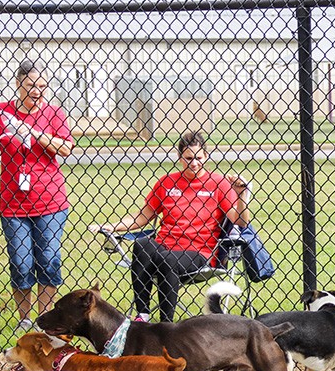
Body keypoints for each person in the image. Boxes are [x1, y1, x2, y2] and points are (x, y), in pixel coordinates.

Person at [89, 131, 251, 322]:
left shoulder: (219, 184)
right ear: (180, 157)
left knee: (167, 260)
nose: (194, 163)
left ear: (206, 156)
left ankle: (166, 324)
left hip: (199, 252)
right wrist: (112, 227)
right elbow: (142, 217)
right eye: (189, 158)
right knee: (142, 244)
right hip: (165, 246)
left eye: (199, 158)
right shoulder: (167, 182)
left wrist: (241, 196)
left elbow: (241, 221)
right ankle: (143, 316)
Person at [0, 59, 75, 334]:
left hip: (50, 201)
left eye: (42, 86)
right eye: (31, 85)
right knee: (20, 263)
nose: (37, 91)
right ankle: (25, 318)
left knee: (49, 260)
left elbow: (66, 148)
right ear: (18, 84)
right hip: (13, 203)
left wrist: (34, 133)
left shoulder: (54, 114)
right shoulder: (0, 113)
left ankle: (44, 320)